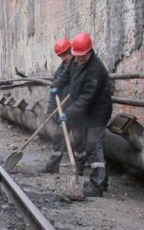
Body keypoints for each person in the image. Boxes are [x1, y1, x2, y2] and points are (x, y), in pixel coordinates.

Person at [55, 33, 113, 197]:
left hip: (98, 112)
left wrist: (68, 113)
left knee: (94, 146)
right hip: (85, 112)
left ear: (89, 52)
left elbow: (87, 98)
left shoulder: (96, 70)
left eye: (82, 57)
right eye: (77, 56)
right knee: (88, 145)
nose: (78, 60)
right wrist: (57, 85)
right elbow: (67, 73)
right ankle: (98, 180)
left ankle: (98, 185)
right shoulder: (76, 59)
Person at [42, 37, 75, 174]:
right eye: (60, 56)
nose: (63, 58)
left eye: (65, 55)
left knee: (81, 141)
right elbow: (53, 94)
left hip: (79, 110)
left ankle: (78, 169)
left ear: (71, 51)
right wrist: (50, 112)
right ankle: (52, 167)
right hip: (64, 110)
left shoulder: (79, 66)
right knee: (58, 137)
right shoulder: (60, 70)